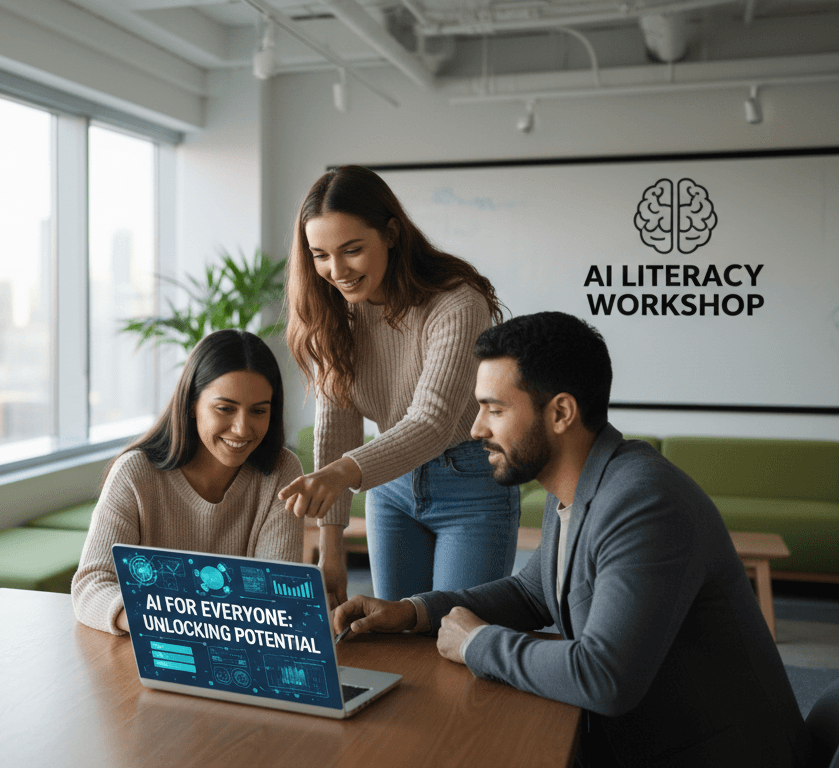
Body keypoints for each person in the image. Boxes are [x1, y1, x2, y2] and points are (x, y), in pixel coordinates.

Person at [334, 312, 810, 766]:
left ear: (560, 412)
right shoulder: (581, 487)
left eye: (494, 410)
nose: (476, 429)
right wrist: (411, 612)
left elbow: (605, 676)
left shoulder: (643, 502)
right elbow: (529, 592)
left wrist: (477, 643)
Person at [280, 165, 517, 608]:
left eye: (352, 250)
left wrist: (341, 474)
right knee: (395, 639)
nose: (336, 270)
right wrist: (331, 545)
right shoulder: (338, 310)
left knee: (455, 638)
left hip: (469, 485)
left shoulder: (456, 303)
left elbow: (432, 421)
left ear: (391, 233)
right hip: (389, 486)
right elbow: (338, 423)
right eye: (320, 255)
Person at [72, 329, 305, 635]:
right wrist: (157, 622)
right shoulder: (134, 473)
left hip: (239, 651)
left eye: (259, 411)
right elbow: (91, 584)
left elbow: (277, 595)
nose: (241, 428)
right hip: (151, 647)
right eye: (225, 408)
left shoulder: (282, 472)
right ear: (192, 403)